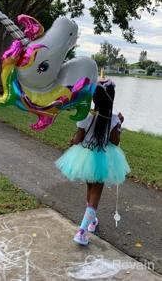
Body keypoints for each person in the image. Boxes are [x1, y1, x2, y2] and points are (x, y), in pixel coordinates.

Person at [55, 79, 130, 245]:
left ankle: (92, 221)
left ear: (94, 99)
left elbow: (77, 138)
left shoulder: (87, 116)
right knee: (96, 194)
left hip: (85, 157)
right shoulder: (114, 119)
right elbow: (115, 142)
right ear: (112, 98)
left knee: (90, 189)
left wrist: (73, 139)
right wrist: (119, 126)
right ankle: (81, 232)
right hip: (103, 159)